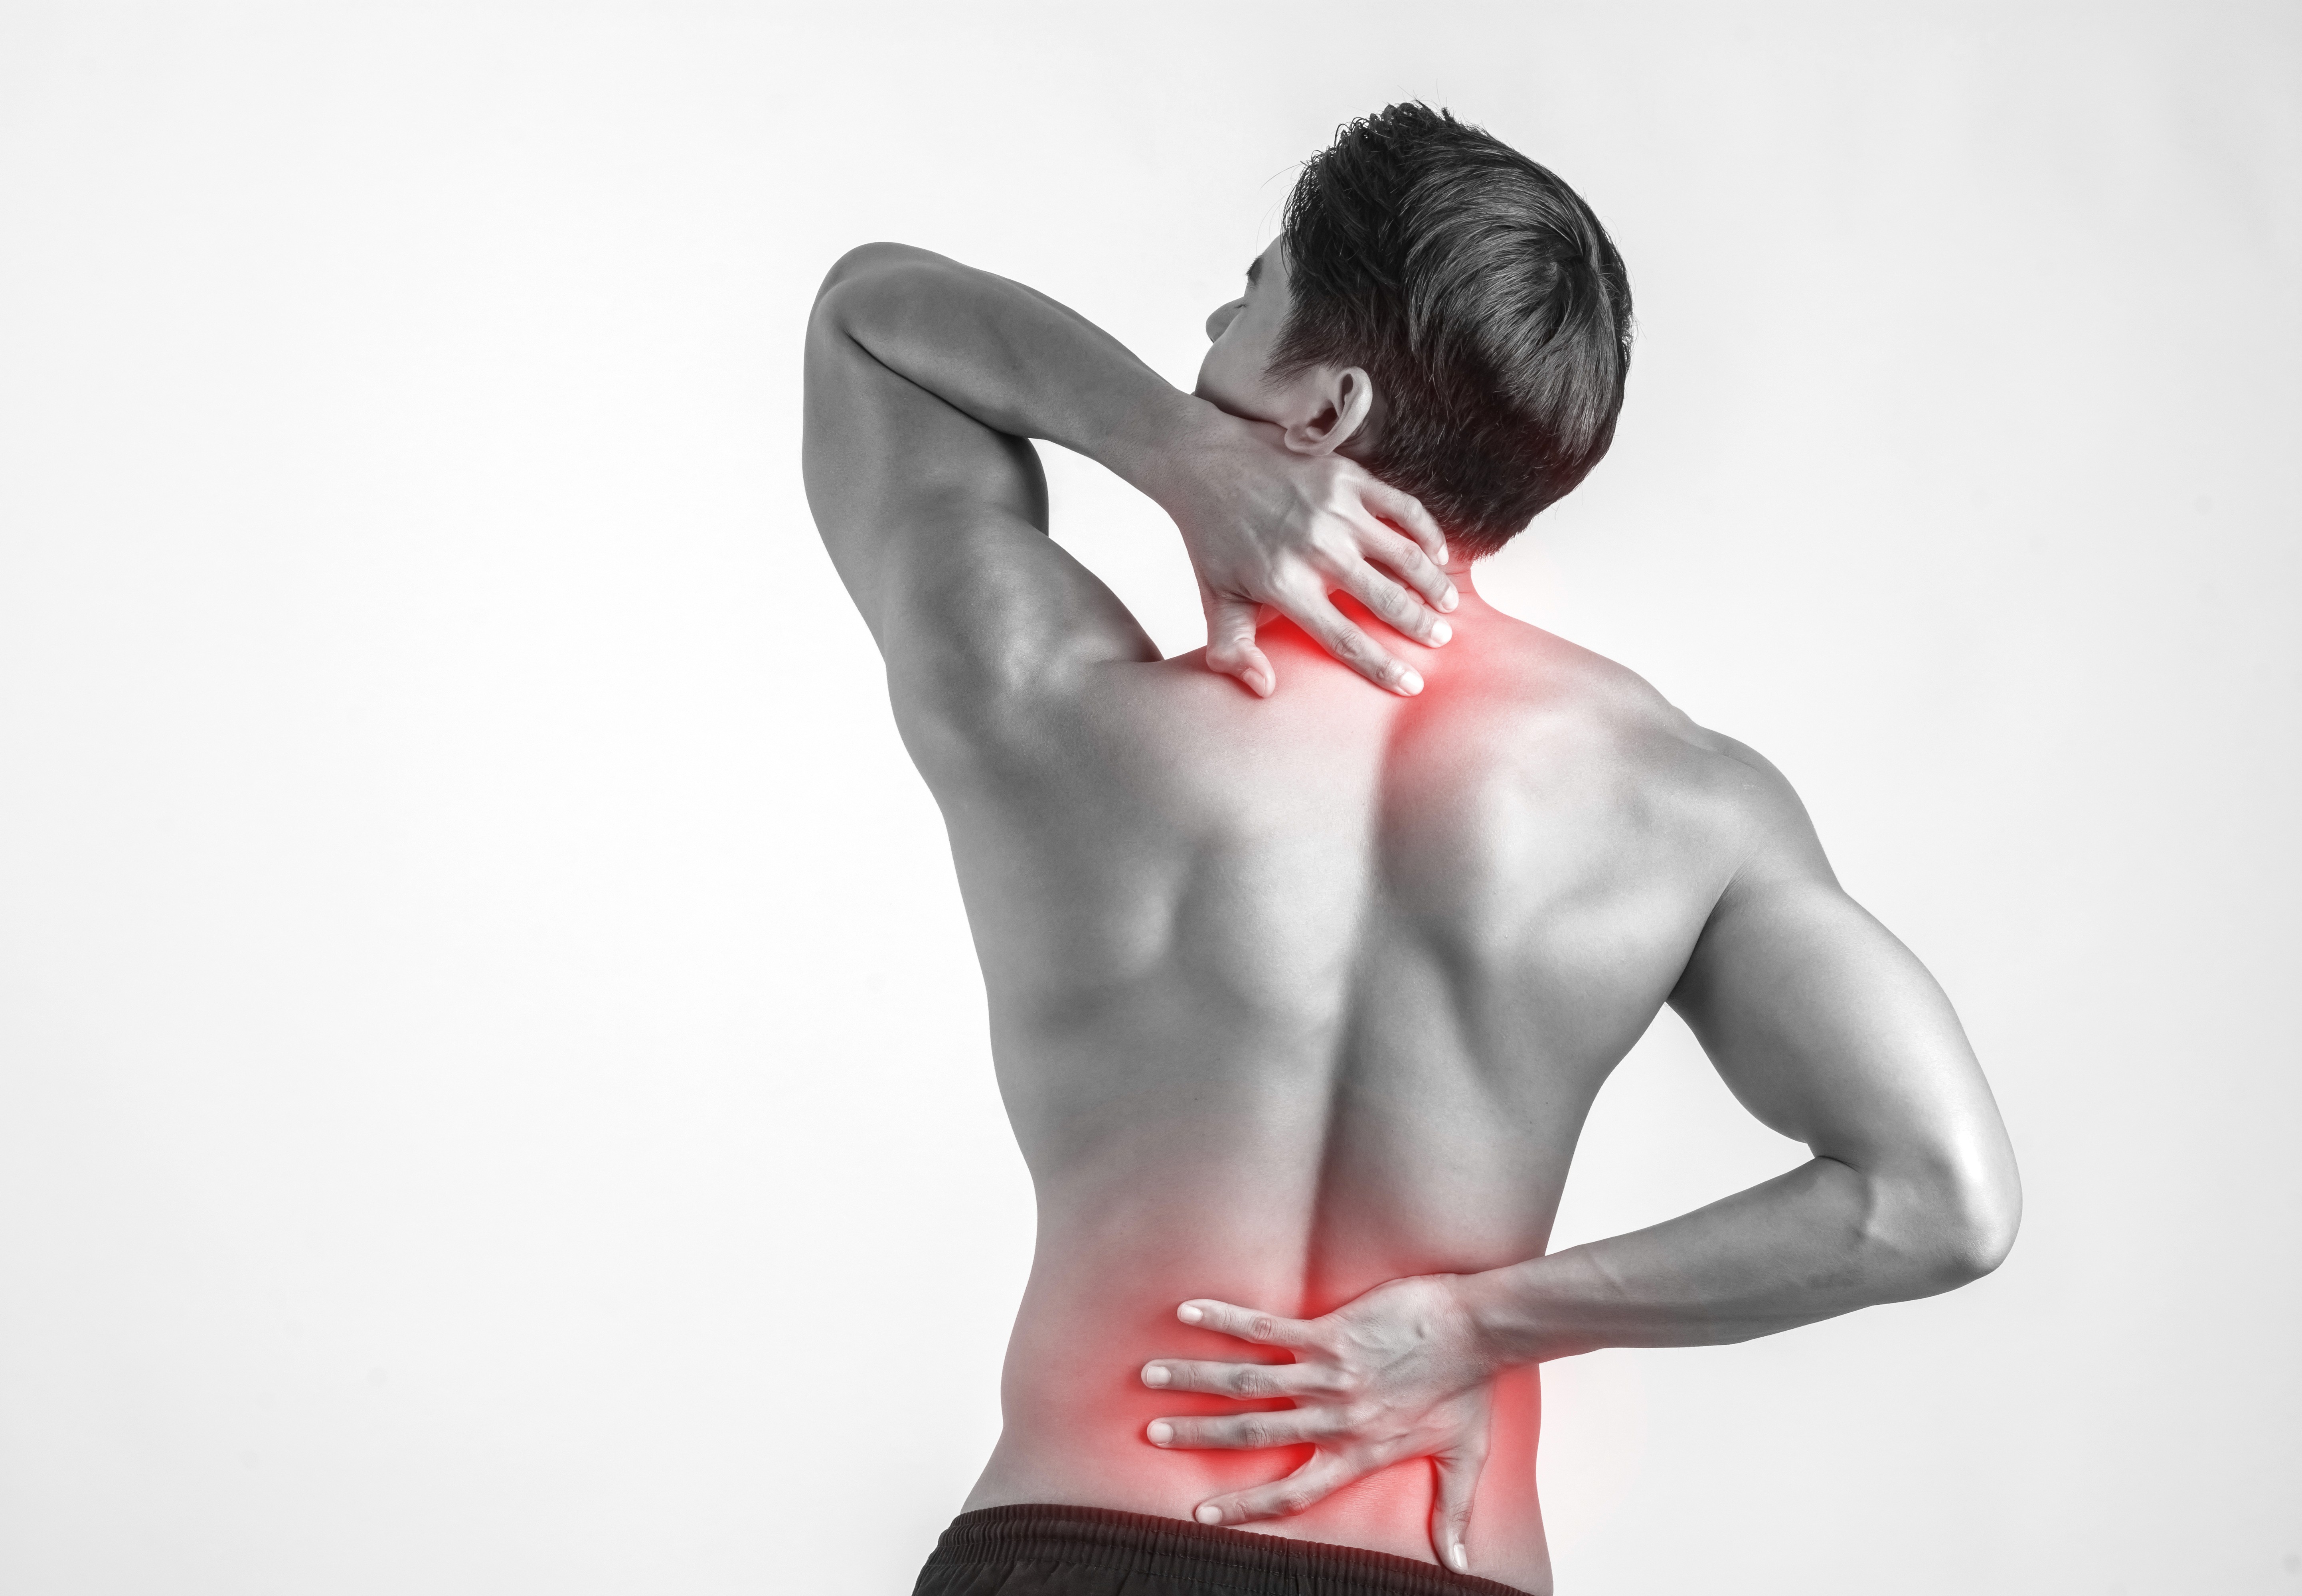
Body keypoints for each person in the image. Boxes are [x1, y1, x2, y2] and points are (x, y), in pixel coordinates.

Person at [801, 103, 2018, 1596]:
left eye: (1251, 295)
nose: (1209, 328)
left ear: (1327, 410)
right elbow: (1937, 1199)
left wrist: (1170, 449)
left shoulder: (1057, 708)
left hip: (1077, 1543)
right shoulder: (1683, 801)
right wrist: (1476, 1326)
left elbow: (868, 315)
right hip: (1447, 1565)